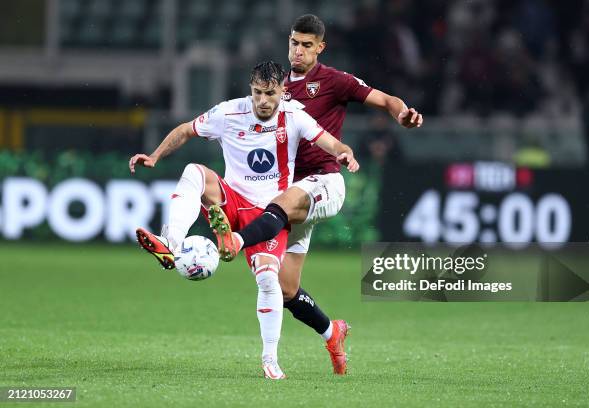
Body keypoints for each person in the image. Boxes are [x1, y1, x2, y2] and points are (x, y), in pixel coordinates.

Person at [211, 14, 423, 376]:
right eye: (294, 42)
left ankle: (234, 239)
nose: (298, 50)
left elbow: (386, 100)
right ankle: (332, 331)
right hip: (289, 193)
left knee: (278, 207)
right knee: (284, 288)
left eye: (307, 45)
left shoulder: (335, 81)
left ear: (320, 48)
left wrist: (402, 114)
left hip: (324, 183)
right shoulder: (273, 85)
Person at [128, 61, 359, 380]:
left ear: (282, 91)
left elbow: (328, 141)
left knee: (274, 281)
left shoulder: (293, 116)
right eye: (257, 93)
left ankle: (274, 358)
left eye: (270, 93)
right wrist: (154, 156)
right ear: (250, 89)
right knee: (194, 172)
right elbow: (185, 130)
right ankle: (171, 243)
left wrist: (343, 151)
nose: (263, 100)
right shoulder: (228, 112)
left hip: (270, 213)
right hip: (232, 200)